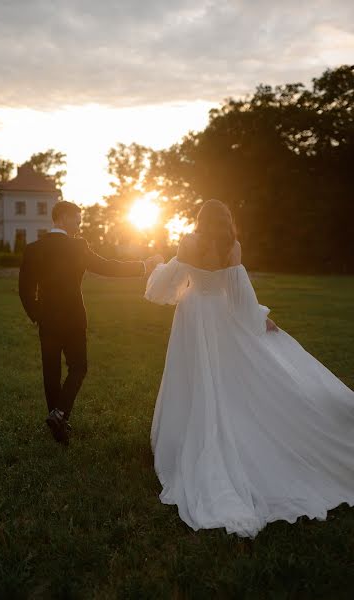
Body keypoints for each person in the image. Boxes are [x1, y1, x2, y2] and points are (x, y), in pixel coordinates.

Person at [144, 198, 354, 538]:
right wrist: (260, 319)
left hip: (193, 314)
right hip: (221, 316)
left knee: (194, 376)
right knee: (224, 376)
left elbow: (170, 283)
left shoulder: (188, 242)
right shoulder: (232, 246)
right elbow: (240, 296)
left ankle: (189, 433)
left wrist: (155, 267)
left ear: (200, 219)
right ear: (226, 221)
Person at [19, 200, 163, 446]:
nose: (80, 223)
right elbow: (107, 267)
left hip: (48, 323)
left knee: (51, 373)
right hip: (74, 320)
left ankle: (57, 421)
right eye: (77, 218)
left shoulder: (33, 248)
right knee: (78, 368)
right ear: (63, 217)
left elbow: (24, 290)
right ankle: (60, 415)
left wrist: (38, 315)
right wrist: (143, 266)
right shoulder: (78, 246)